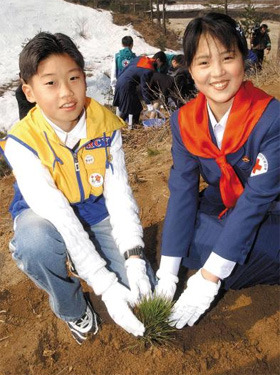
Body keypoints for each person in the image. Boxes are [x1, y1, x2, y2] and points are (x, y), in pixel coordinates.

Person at [0, 32, 156, 345]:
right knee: (36, 243)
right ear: (29, 91)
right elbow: (57, 212)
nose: (67, 93)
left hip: (94, 210)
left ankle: (86, 255)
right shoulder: (21, 141)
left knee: (142, 292)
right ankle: (73, 309)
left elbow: (120, 196)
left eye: (74, 77)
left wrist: (135, 258)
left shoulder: (105, 125)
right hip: (43, 215)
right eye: (51, 83)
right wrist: (105, 285)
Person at [155, 12, 279, 329]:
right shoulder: (183, 122)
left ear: (243, 59)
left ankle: (232, 259)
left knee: (222, 257)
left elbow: (256, 200)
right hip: (223, 201)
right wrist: (167, 275)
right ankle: (231, 254)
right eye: (204, 62)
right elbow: (182, 193)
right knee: (178, 244)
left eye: (227, 58)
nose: (218, 73)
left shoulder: (271, 117)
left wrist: (209, 277)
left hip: (271, 208)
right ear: (191, 70)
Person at [113, 55, 156, 128]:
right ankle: (117, 128)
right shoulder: (147, 71)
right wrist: (148, 103)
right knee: (126, 109)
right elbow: (144, 87)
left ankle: (134, 126)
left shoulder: (140, 59)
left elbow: (125, 68)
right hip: (127, 86)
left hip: (120, 81)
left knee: (136, 107)